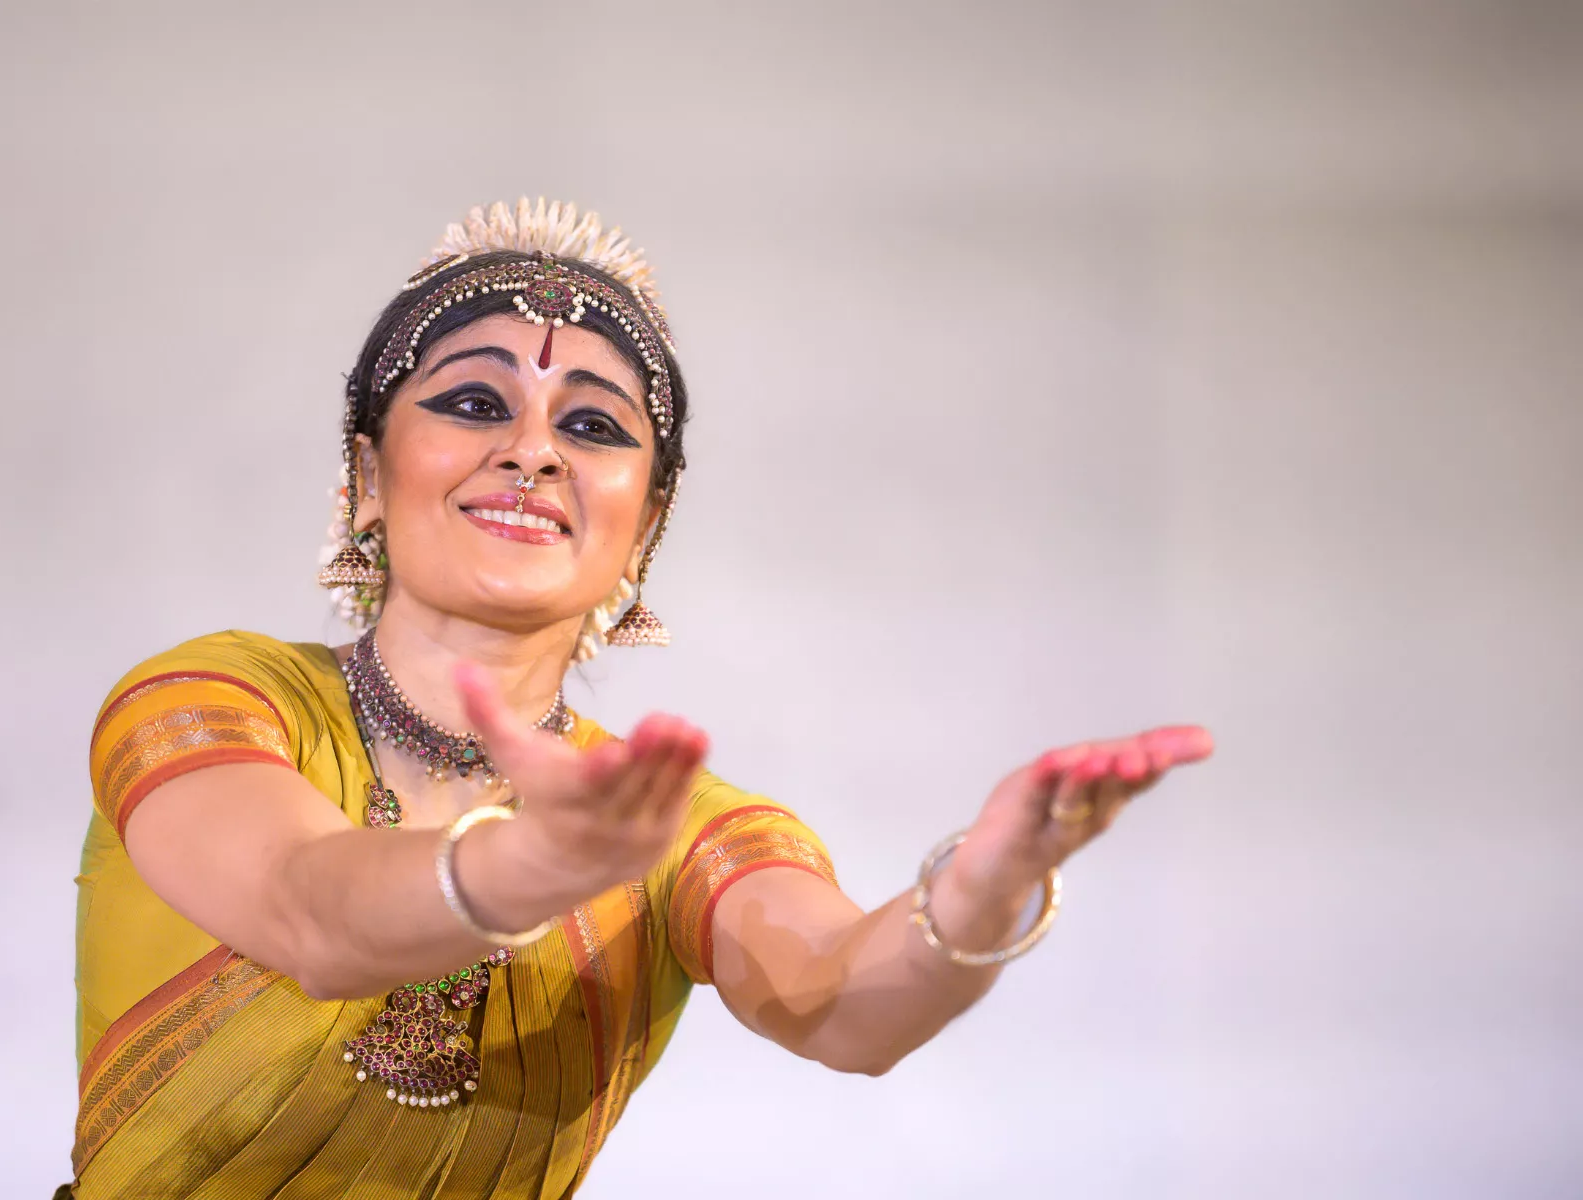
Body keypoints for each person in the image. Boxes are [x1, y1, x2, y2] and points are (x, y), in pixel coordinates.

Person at [59, 198, 1214, 1199]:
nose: (532, 452)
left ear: (644, 526)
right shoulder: (215, 698)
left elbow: (838, 1003)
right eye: (471, 403)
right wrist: (523, 868)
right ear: (365, 474)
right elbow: (303, 912)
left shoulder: (662, 826)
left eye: (594, 426)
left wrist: (976, 895)